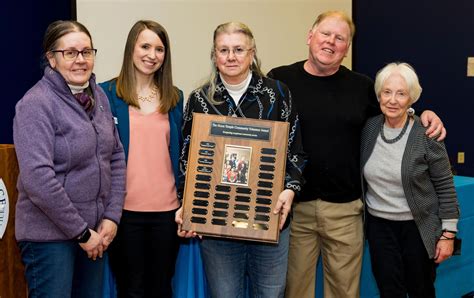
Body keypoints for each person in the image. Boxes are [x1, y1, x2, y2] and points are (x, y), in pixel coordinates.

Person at [267, 10, 446, 298]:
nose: (331, 42)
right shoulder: (280, 80)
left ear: (347, 48)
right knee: (295, 290)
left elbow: (394, 112)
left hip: (346, 211)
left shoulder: (362, 87)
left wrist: (424, 112)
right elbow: (257, 125)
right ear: (310, 36)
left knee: (344, 291)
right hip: (294, 209)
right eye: (326, 34)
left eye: (340, 38)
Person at [175, 21, 305, 297]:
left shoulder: (278, 94)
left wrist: (290, 191)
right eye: (223, 50)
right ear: (214, 56)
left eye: (238, 49)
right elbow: (188, 157)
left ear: (252, 53)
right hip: (217, 220)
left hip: (269, 220)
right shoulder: (200, 99)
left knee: (271, 294)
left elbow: (295, 152)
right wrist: (187, 205)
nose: (231, 57)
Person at [13, 20, 126, 298]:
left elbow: (116, 156)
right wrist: (82, 233)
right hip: (50, 239)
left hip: (95, 234)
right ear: (51, 58)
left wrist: (111, 217)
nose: (81, 60)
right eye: (70, 53)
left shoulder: (99, 97)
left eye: (87, 52)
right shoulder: (35, 104)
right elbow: (38, 178)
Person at [361, 62, 460, 297]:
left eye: (401, 93)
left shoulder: (427, 133)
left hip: (418, 228)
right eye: (387, 92)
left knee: (421, 290)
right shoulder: (369, 128)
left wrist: (448, 235)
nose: (393, 100)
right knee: (389, 291)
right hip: (379, 228)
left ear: (411, 98)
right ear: (379, 95)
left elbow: (445, 186)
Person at [100, 20, 184, 297]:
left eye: (160, 49)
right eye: (145, 46)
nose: (152, 55)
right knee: (130, 290)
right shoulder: (106, 94)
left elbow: (184, 154)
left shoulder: (175, 98)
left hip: (167, 213)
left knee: (161, 289)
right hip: (123, 213)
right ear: (131, 49)